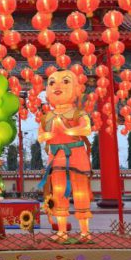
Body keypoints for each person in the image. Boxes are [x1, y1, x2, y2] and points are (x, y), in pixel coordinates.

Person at [38, 69, 93, 240]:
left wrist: (68, 131)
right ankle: (62, 231)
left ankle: (85, 232)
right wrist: (46, 135)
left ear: (77, 89)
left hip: (76, 157)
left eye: (66, 82)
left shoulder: (78, 113)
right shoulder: (47, 117)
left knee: (80, 193)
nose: (57, 86)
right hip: (56, 160)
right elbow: (41, 135)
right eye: (52, 83)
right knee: (58, 194)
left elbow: (86, 128)